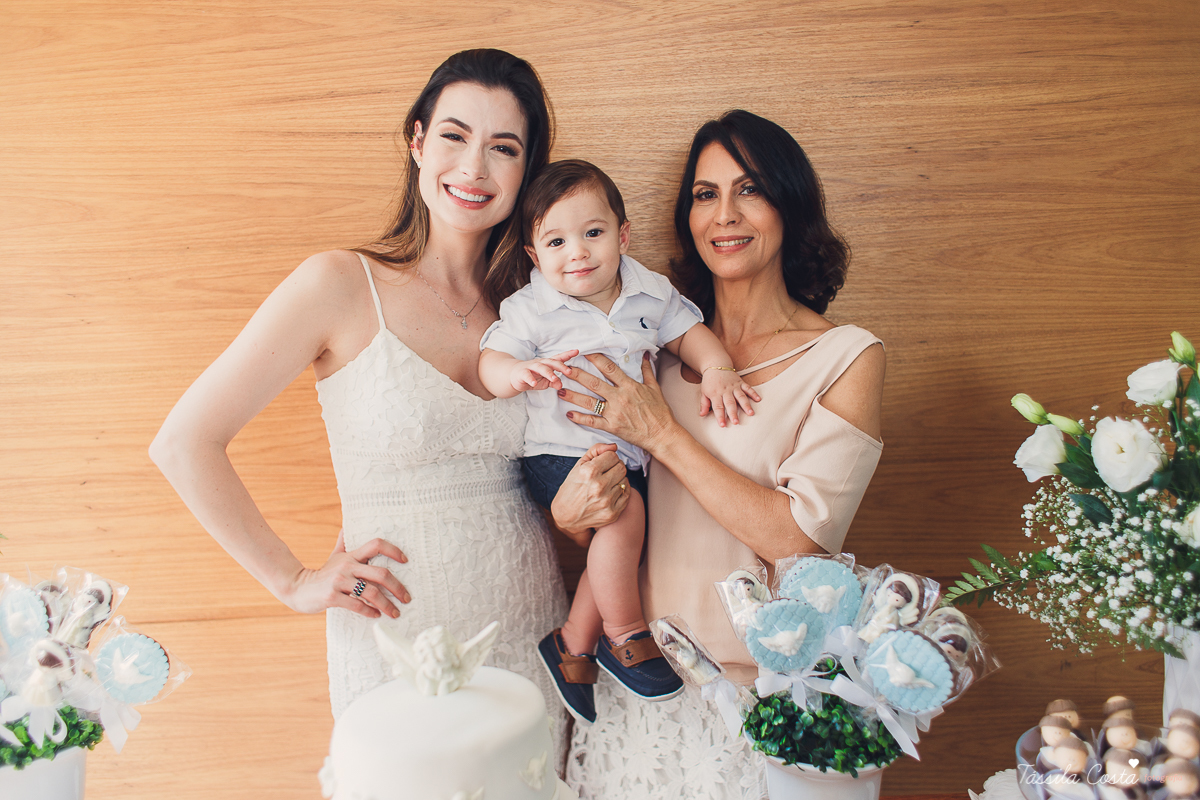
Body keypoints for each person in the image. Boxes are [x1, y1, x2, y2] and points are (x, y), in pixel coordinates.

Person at [148, 50, 619, 753]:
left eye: (504, 149)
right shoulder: (339, 284)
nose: (474, 169)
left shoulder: (537, 309)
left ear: (527, 173)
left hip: (531, 630)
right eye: (455, 137)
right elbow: (183, 444)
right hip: (395, 639)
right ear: (418, 141)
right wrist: (294, 581)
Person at [554, 110, 886, 799]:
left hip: (757, 705)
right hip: (636, 693)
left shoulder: (845, 356)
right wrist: (569, 514)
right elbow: (616, 514)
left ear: (789, 206)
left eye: (750, 189)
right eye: (706, 194)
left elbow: (801, 540)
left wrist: (664, 435)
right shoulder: (649, 351)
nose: (725, 214)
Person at [477, 159, 760, 725]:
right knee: (624, 520)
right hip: (559, 452)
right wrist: (516, 375)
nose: (577, 252)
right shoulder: (532, 307)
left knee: (624, 541)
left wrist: (719, 370)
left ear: (622, 236)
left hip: (627, 451)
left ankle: (570, 647)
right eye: (556, 241)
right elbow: (490, 361)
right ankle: (624, 634)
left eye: (593, 233)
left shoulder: (649, 291)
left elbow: (690, 335)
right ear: (535, 256)